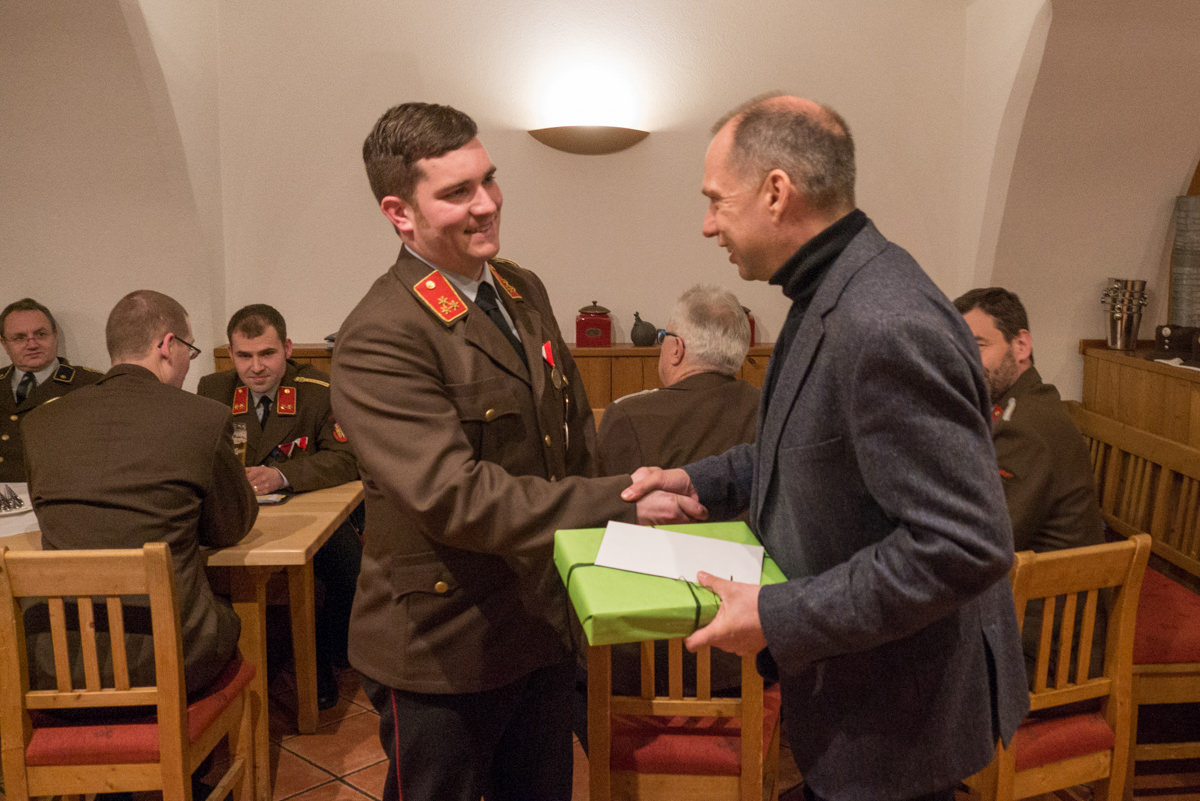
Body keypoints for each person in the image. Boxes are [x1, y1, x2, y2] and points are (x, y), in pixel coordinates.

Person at [622, 94, 1030, 801]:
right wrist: (698, 480)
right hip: (863, 691)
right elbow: (808, 447)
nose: (708, 223)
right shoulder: (830, 288)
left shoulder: (884, 319)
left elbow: (964, 544)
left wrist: (775, 615)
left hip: (902, 715)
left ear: (776, 192)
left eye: (717, 200)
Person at [331, 102, 690, 801]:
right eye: (457, 192)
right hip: (445, 646)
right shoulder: (382, 333)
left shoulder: (521, 289)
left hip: (540, 623)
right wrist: (620, 504)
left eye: (488, 179)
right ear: (399, 213)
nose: (487, 203)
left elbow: (571, 438)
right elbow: (454, 496)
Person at [22, 289, 257, 697]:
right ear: (167, 346)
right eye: (190, 350)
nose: (189, 362)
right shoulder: (202, 417)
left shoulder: (40, 423)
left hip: (55, 662)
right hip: (170, 659)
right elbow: (229, 528)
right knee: (230, 612)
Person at [596, 283, 759, 705]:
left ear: (677, 348)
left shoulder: (627, 415)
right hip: (749, 654)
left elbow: (597, 530)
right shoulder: (770, 413)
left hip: (642, 663)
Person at [198, 303, 362, 709]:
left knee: (350, 565)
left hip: (307, 511)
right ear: (231, 354)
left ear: (287, 349)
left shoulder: (318, 390)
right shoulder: (212, 390)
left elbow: (346, 458)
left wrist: (282, 475)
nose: (256, 367)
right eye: (244, 355)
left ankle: (326, 655)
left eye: (267, 354)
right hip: (238, 517)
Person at [954, 286, 1106, 679]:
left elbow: (985, 542)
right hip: (1022, 614)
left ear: (1021, 345)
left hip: (1046, 649)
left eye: (978, 345)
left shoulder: (1026, 428)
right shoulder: (1020, 405)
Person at [596, 283, 760, 478]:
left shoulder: (627, 416)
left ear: (677, 348)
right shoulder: (767, 408)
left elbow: (603, 494)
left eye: (663, 336)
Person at [1, 297, 102, 482]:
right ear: (4, 344)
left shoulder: (91, 384)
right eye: (19, 338)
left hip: (60, 491)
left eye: (41, 334)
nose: (32, 344)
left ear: (55, 336)